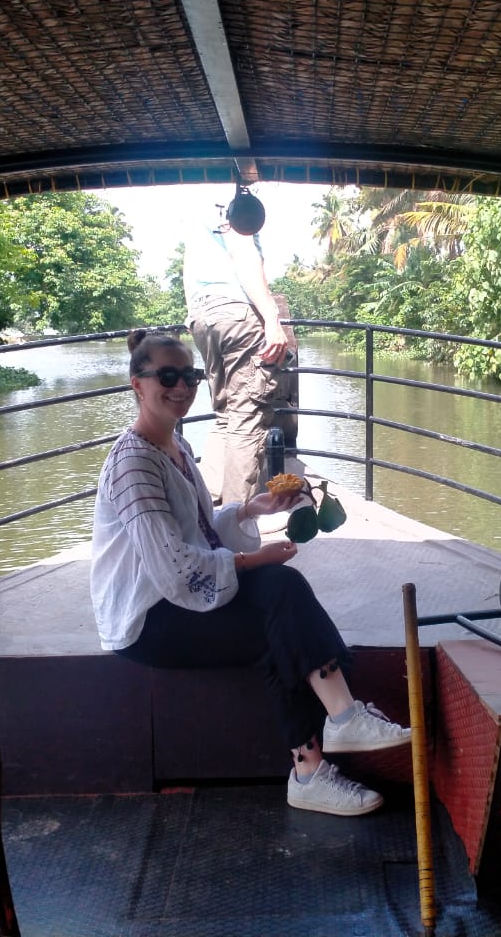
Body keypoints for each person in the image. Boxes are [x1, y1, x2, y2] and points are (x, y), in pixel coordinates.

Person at [90, 329, 410, 816]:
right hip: (147, 620)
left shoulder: (174, 447)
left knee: (280, 616)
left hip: (174, 600)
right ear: (138, 383)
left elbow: (198, 531)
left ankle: (316, 763)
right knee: (278, 593)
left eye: (191, 376)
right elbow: (173, 566)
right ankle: (332, 733)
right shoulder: (134, 464)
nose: (181, 387)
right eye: (167, 377)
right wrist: (255, 560)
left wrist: (248, 510)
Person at [182, 193, 293, 505]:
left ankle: (208, 507)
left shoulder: (198, 209)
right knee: (247, 418)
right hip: (235, 313)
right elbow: (245, 256)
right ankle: (237, 523)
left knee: (225, 416)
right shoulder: (230, 202)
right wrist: (273, 320)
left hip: (202, 317)